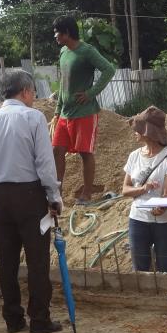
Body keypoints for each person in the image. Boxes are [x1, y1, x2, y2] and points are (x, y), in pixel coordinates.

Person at [0, 71, 64, 333]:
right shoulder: (33, 117)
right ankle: (39, 320)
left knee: (7, 260)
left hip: (2, 196)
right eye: (34, 93)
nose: (34, 98)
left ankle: (13, 319)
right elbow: (44, 163)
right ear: (25, 92)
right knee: (37, 260)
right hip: (29, 195)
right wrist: (54, 197)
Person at [50, 15, 116, 205]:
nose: (55, 36)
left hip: (85, 112)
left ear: (67, 33)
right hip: (64, 113)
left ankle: (86, 194)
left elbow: (109, 70)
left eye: (57, 32)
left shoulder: (87, 51)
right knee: (57, 151)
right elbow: (63, 85)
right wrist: (57, 110)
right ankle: (57, 194)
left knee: (85, 153)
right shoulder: (63, 52)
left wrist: (91, 93)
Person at [122, 106, 167, 273]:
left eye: (138, 129)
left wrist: (162, 207)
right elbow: (125, 190)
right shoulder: (134, 156)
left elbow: (166, 194)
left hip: (164, 222)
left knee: (165, 269)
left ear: (147, 132)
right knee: (139, 269)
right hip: (138, 219)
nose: (135, 132)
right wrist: (143, 188)